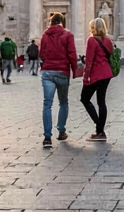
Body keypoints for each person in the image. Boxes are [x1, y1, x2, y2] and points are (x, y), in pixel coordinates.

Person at [38, 12, 80, 148]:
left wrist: (45, 64)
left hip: (47, 72)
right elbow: (72, 54)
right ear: (62, 21)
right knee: (63, 102)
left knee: (47, 104)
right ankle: (61, 131)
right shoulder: (68, 35)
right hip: (62, 71)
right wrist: (74, 70)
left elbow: (41, 53)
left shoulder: (45, 34)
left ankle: (47, 137)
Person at [80, 17, 115, 141]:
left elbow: (89, 61)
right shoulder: (108, 40)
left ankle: (99, 129)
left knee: (84, 99)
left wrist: (86, 77)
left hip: (96, 74)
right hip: (107, 74)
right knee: (101, 102)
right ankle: (100, 131)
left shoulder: (91, 40)